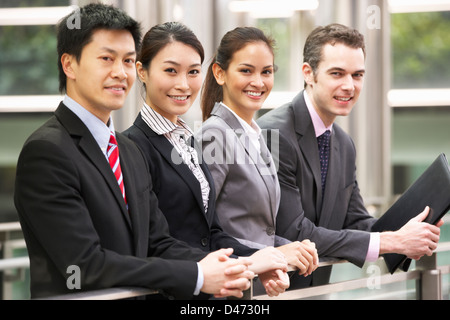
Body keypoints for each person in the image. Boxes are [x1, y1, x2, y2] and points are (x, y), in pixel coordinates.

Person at [13, 3, 254, 300]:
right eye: (106, 59)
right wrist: (197, 275)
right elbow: (85, 264)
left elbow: (158, 242)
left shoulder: (127, 150)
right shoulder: (47, 151)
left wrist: (233, 268)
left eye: (128, 60)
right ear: (69, 65)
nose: (120, 72)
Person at [257, 23, 443, 288]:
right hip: (265, 295)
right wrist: (393, 241)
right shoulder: (274, 133)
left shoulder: (343, 144)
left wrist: (410, 229)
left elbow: (356, 221)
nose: (349, 85)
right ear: (308, 73)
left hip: (316, 293)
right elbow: (295, 233)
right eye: (337, 73)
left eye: (357, 75)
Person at [123, 22, 289, 297]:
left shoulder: (187, 142)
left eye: (193, 72)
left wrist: (264, 259)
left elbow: (211, 231)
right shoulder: (133, 146)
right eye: (170, 71)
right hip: (173, 291)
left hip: (209, 292)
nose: (183, 84)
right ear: (142, 71)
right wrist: (245, 263)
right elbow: (157, 241)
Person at [196, 26, 319, 281]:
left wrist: (294, 247)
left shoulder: (257, 134)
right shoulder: (214, 135)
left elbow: (257, 229)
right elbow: (202, 232)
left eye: (267, 72)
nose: (258, 82)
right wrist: (274, 254)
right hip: (225, 285)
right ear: (220, 73)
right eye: (246, 71)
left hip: (252, 280)